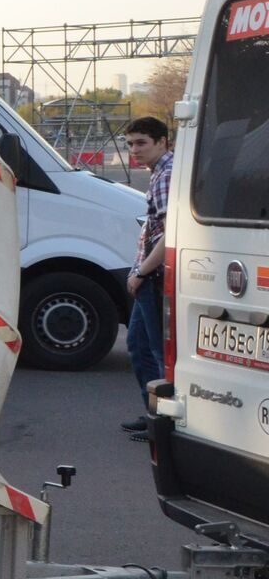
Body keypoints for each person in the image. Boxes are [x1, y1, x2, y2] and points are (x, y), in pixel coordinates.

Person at [122, 115, 174, 438]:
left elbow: (169, 236)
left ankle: (163, 425)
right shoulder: (160, 173)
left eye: (141, 143)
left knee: (154, 352)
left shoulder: (165, 175)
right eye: (130, 144)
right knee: (138, 346)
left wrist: (141, 272)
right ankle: (153, 414)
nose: (134, 150)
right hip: (147, 276)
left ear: (162, 142)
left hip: (153, 278)